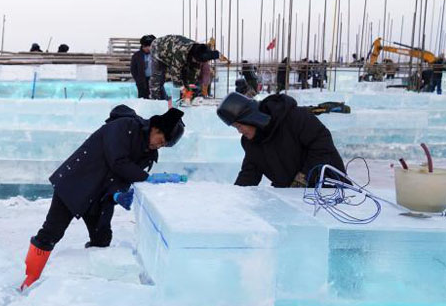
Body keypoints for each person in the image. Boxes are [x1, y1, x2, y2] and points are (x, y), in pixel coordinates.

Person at [20, 105, 185, 291]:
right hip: (76, 183)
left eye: (163, 145)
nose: (158, 146)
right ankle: (30, 279)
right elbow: (117, 161)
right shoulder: (125, 127)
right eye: (160, 140)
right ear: (155, 128)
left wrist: (117, 194)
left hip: (100, 196)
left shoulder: (149, 155)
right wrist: (147, 178)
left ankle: (89, 285)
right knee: (51, 233)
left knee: (102, 238)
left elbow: (123, 178)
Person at [216, 92, 345, 188]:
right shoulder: (250, 143)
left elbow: (322, 145)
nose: (239, 131)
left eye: (239, 126)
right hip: (293, 198)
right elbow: (249, 174)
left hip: (330, 189)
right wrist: (236, 198)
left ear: (249, 117)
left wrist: (303, 178)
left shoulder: (295, 117)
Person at [148, 35, 220, 102]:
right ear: (194, 57)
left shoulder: (200, 51)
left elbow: (193, 74)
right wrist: (183, 89)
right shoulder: (180, 53)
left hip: (173, 51)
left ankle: (186, 98)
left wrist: (190, 90)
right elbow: (175, 73)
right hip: (158, 48)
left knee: (187, 76)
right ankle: (156, 100)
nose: (199, 63)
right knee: (158, 76)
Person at [129, 34, 155, 99]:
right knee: (143, 98)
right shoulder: (137, 55)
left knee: (155, 99)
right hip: (142, 81)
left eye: (149, 46)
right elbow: (133, 69)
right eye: (145, 46)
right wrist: (137, 79)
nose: (147, 48)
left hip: (154, 80)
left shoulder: (156, 55)